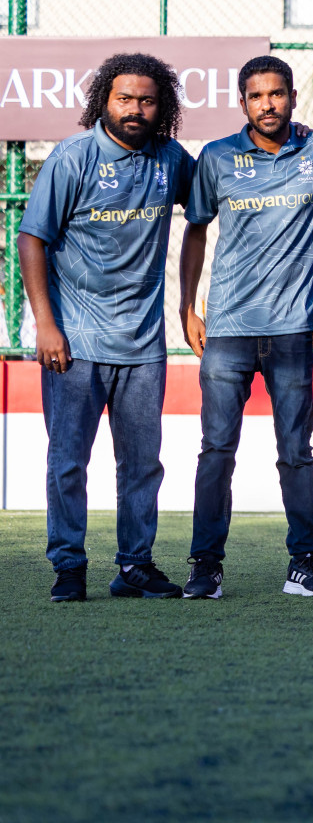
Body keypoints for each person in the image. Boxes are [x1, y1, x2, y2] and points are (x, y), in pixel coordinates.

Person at [21, 52, 195, 602]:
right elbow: (31, 239)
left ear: (161, 105)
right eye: (125, 98)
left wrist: (192, 304)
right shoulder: (73, 159)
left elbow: (211, 205)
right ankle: (68, 566)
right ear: (105, 100)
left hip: (143, 345)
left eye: (147, 100)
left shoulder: (171, 160)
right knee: (67, 461)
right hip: (74, 342)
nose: (135, 109)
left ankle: (135, 567)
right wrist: (46, 326)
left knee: (142, 465)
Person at [178, 55, 313, 599]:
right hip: (228, 328)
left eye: (277, 94)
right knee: (216, 449)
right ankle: (205, 566)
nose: (268, 104)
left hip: (295, 329)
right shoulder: (217, 157)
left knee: (296, 450)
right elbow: (196, 232)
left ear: (293, 97)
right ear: (243, 102)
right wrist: (187, 306)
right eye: (256, 96)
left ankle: (304, 561)